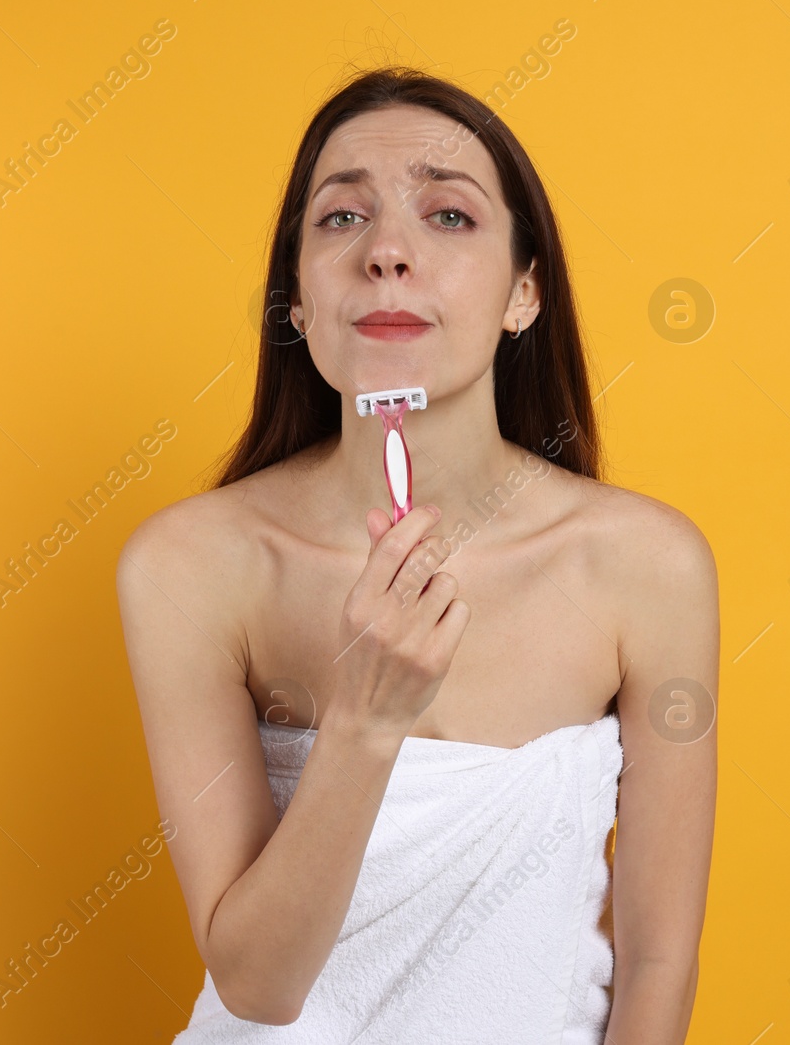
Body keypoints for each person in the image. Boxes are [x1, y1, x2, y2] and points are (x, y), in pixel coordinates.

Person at [116, 64, 717, 1044]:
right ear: (299, 303)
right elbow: (257, 985)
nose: (388, 252)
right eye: (343, 219)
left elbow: (658, 958)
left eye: (447, 217)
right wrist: (362, 719)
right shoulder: (191, 565)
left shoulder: (647, 566)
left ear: (525, 291)